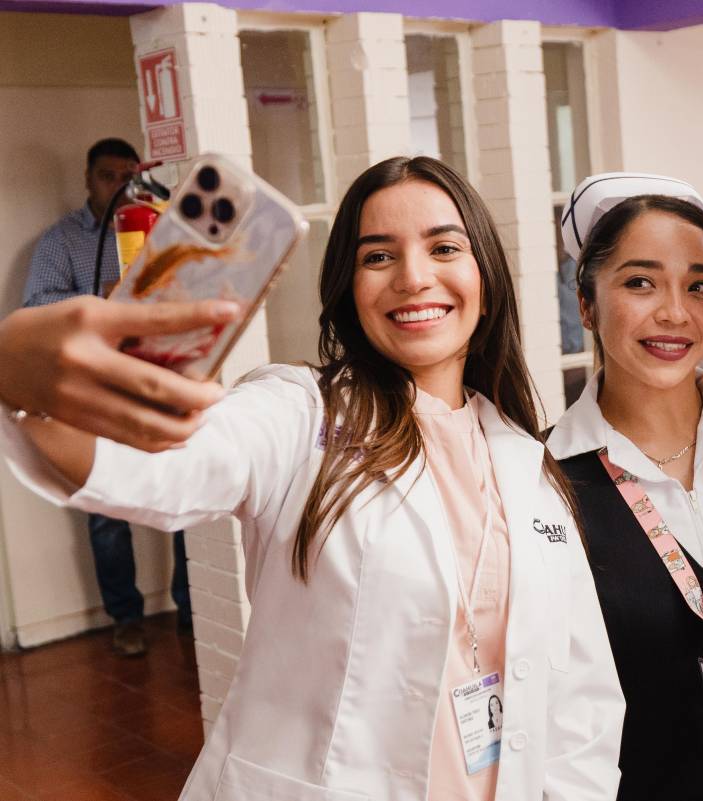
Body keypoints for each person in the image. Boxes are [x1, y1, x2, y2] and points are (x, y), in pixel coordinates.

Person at [0, 156, 623, 801]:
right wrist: (18, 379)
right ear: (349, 289)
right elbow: (162, 465)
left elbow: (581, 701)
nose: (413, 277)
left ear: (485, 279)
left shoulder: (528, 464)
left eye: (443, 248)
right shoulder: (298, 414)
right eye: (377, 256)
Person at [549, 174, 703, 800]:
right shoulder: (543, 479)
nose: (675, 314)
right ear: (586, 304)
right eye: (640, 282)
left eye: (700, 286)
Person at [24, 137, 190, 655]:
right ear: (88, 179)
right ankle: (126, 618)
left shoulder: (158, 225)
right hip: (97, 390)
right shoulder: (62, 240)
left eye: (127, 175)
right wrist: (102, 300)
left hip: (159, 379)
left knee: (183, 492)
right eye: (107, 176)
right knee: (107, 510)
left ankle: (193, 607)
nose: (119, 185)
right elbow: (38, 306)